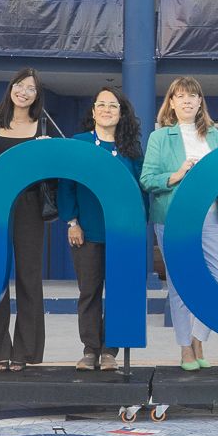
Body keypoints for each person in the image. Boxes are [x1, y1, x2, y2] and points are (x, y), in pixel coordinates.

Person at [141, 77, 218, 371]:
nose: (187, 101)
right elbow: (147, 179)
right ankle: (186, 347)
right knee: (180, 285)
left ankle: (198, 338)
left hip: (211, 217)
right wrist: (176, 174)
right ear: (171, 103)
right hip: (174, 219)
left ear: (199, 102)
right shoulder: (160, 137)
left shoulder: (214, 136)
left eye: (192, 96)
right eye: (180, 96)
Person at [59, 87, 144, 371]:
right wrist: (72, 222)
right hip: (87, 232)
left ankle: (110, 351)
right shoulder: (79, 143)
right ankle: (90, 349)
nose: (107, 110)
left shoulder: (131, 148)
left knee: (119, 293)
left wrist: (136, 226)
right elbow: (67, 185)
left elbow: (141, 190)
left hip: (122, 235)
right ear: (94, 111)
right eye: (102, 105)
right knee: (89, 293)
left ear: (121, 114)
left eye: (113, 106)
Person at [0, 68, 50, 371]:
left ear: (37, 95)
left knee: (29, 278)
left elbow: (55, 174)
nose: (24, 92)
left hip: (30, 207)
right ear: (11, 88)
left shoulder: (43, 126)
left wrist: (47, 152)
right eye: (20, 85)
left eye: (31, 88)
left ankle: (25, 352)